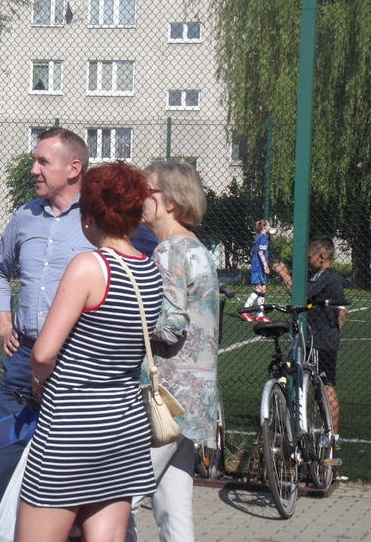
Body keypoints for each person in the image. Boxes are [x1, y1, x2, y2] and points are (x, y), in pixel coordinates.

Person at [16, 162, 162, 542]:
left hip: (71, 428)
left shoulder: (89, 266)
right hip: (124, 425)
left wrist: (38, 381)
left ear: (89, 215)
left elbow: (43, 353)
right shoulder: (150, 272)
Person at [0, 128, 94, 542]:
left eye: (43, 161)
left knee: (82, 477)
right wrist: (3, 321)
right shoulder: (25, 216)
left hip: (78, 363)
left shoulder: (98, 220)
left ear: (73, 168)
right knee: (5, 464)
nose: (33, 169)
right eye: (35, 160)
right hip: (23, 362)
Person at [125, 160, 220, 542]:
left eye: (147, 191)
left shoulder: (169, 252)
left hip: (167, 398)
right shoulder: (197, 248)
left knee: (119, 497)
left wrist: (122, 318)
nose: (139, 199)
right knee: (173, 510)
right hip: (194, 399)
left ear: (170, 202)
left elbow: (170, 326)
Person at [271, 236, 347, 444]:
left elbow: (301, 294)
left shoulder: (327, 276)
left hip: (321, 339)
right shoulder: (322, 276)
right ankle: (319, 428)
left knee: (325, 384)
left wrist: (283, 273)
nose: (308, 261)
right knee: (315, 383)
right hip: (318, 337)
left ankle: (332, 435)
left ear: (321, 256)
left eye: (310, 256)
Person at [243, 219, 276, 322]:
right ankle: (245, 310)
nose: (270, 227)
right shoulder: (263, 237)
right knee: (259, 288)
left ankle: (260, 314)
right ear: (264, 227)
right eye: (268, 225)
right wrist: (265, 266)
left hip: (258, 266)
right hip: (259, 267)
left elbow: (252, 252)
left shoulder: (259, 237)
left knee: (263, 288)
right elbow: (260, 253)